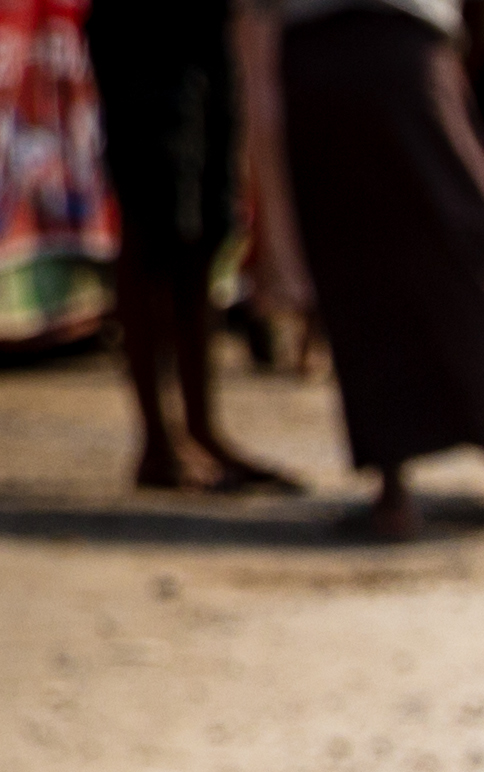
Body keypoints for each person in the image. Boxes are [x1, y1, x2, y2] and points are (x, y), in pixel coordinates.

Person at [274, 0, 484, 538]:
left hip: (340, 52)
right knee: (458, 251)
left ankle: (416, 486)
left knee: (386, 255)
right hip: (383, 44)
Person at [81, 0, 299, 489]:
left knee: (207, 227)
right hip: (145, 27)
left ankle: (202, 429)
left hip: (211, 21)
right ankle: (159, 440)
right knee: (155, 224)